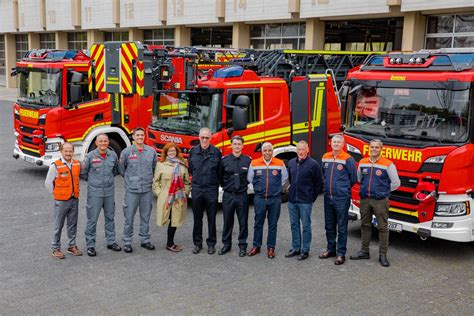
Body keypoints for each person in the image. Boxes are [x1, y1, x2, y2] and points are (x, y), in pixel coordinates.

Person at [350, 139, 400, 267]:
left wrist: (383, 192)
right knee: (365, 225)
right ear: (369, 149)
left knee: (382, 227)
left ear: (381, 149)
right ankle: (364, 251)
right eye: (372, 147)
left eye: (376, 147)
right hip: (365, 199)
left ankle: (382, 255)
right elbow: (359, 179)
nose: (374, 149)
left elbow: (396, 183)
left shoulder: (388, 164)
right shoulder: (362, 162)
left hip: (380, 201)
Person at [81, 134, 121, 256]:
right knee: (92, 220)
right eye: (101, 141)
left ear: (108, 142)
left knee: (110, 217)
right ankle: (90, 245)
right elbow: (83, 173)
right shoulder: (90, 156)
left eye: (105, 141)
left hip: (109, 192)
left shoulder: (112, 155)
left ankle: (111, 241)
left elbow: (115, 170)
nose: (103, 143)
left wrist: (107, 180)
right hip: (95, 193)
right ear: (96, 143)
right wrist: (94, 182)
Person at [119, 127, 157, 253]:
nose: (140, 137)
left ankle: (145, 240)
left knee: (145, 216)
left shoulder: (151, 151)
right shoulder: (126, 152)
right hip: (132, 191)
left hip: (146, 189)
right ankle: (127, 242)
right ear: (133, 137)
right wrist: (131, 181)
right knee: (129, 217)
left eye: (142, 135)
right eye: (138, 135)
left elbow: (154, 167)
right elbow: (121, 170)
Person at [319, 135, 357, 265]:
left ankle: (341, 253)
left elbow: (353, 178)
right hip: (328, 196)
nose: (336, 144)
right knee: (329, 225)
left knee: (341, 227)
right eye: (334, 142)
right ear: (331, 143)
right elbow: (323, 175)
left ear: (342, 144)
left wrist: (342, 189)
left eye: (338, 142)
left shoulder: (348, 159)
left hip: (341, 197)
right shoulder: (325, 157)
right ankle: (331, 249)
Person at [247, 142, 288, 259]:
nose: (267, 153)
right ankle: (256, 246)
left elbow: (284, 178)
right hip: (259, 198)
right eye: (265, 150)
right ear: (262, 151)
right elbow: (250, 178)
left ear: (272, 151)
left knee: (272, 224)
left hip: (274, 199)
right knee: (258, 223)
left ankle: (271, 247)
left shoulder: (279, 163)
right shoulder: (254, 163)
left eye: (269, 150)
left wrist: (275, 188)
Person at [285, 140, 322, 261]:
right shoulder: (291, 163)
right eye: (299, 149)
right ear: (296, 150)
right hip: (292, 201)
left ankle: (305, 250)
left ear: (307, 150)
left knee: (306, 226)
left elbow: (318, 184)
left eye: (303, 149)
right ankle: (296, 247)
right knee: (294, 225)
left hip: (305, 201)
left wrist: (311, 198)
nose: (301, 152)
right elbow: (291, 179)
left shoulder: (313, 164)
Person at [45, 142, 82, 259]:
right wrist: (55, 194)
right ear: (61, 152)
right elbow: (48, 183)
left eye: (70, 151)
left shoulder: (76, 164)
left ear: (73, 152)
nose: (68, 153)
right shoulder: (55, 165)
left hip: (74, 199)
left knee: (72, 224)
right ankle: (55, 248)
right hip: (61, 201)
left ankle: (72, 246)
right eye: (66, 151)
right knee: (58, 225)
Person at [188, 127, 222, 255]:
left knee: (211, 218)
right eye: (202, 137)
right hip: (197, 188)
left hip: (211, 189)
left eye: (207, 138)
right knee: (197, 218)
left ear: (210, 138)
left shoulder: (216, 152)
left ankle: (211, 244)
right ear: (199, 137)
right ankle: (197, 244)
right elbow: (191, 168)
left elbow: (219, 171)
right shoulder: (193, 152)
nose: (204, 140)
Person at [153, 143, 191, 252]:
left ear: (177, 152)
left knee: (174, 220)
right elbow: (155, 182)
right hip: (166, 197)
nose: (172, 153)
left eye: (174, 151)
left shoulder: (182, 165)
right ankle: (170, 243)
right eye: (169, 151)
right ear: (166, 153)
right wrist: (160, 193)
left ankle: (170, 243)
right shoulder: (161, 164)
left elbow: (187, 182)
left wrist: (185, 192)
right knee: (169, 218)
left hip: (178, 197)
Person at [217, 135, 251, 257]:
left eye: (239, 144)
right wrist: (227, 187)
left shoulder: (248, 160)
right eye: (235, 144)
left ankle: (242, 246)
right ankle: (226, 244)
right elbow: (220, 177)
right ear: (231, 145)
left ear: (242, 145)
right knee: (227, 221)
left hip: (242, 195)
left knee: (243, 222)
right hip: (228, 195)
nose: (237, 146)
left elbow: (249, 178)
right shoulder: (224, 160)